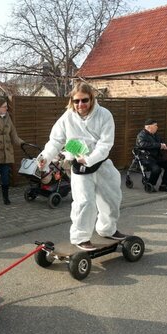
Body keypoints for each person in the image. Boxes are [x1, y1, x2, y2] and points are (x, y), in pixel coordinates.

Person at [37, 82, 125, 251]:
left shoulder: (104, 115)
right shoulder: (67, 117)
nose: (80, 105)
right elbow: (56, 140)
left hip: (101, 163)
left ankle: (107, 229)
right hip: (79, 166)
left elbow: (106, 143)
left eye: (84, 100)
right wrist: (45, 156)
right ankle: (81, 237)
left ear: (91, 99)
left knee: (112, 198)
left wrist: (91, 159)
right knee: (84, 202)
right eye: (76, 101)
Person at [135, 119, 167, 192]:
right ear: (149, 127)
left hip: (156, 157)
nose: (157, 127)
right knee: (157, 169)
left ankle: (164, 185)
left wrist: (163, 145)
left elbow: (160, 142)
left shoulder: (155, 134)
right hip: (146, 158)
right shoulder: (141, 135)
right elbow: (142, 144)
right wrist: (159, 145)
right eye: (155, 125)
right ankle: (150, 185)